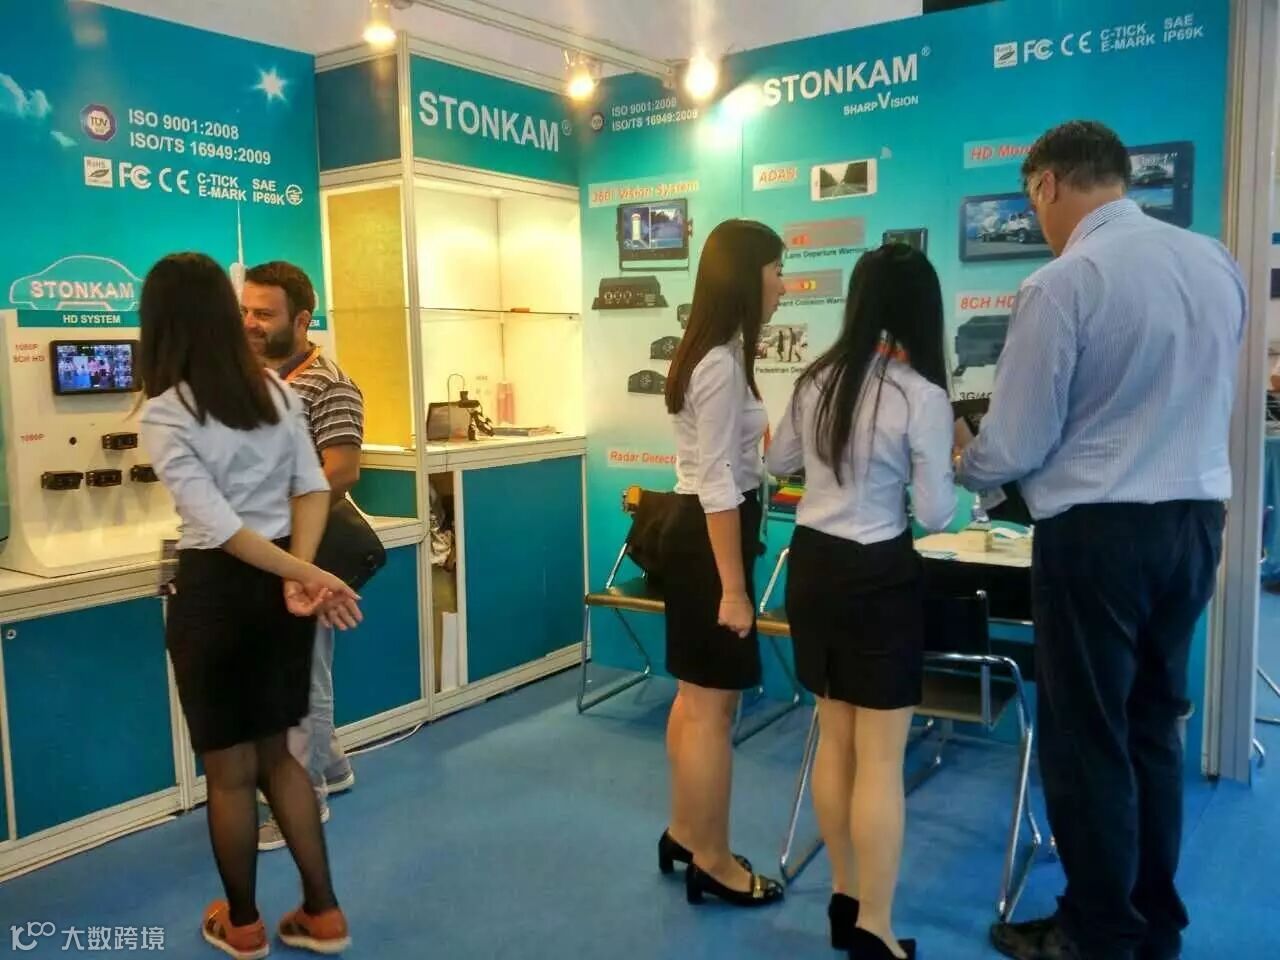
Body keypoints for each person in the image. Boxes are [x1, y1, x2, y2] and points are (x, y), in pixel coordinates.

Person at [954, 121, 1245, 960]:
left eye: (1030, 199)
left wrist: (968, 463)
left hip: (1098, 536)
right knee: (1153, 725)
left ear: (1047, 184)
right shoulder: (1214, 262)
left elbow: (1018, 440)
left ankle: (1095, 929)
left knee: (1087, 738)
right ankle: (1153, 922)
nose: (1035, 217)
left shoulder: (1063, 281)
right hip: (1195, 524)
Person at [138, 252, 361, 958]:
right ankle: (323, 913)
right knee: (281, 759)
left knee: (230, 776)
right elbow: (312, 488)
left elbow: (222, 530)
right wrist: (304, 572)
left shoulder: (166, 413)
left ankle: (242, 926)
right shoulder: (275, 392)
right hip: (276, 593)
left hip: (217, 593)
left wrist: (303, 574)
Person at [767, 244, 954, 960]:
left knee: (834, 738)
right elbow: (935, 516)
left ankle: (846, 900)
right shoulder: (921, 396)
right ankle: (875, 928)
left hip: (812, 565)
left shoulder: (816, 378)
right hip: (879, 572)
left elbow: (778, 462)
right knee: (879, 761)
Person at [658, 219, 787, 908]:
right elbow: (717, 483)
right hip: (710, 544)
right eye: (775, 271)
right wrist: (734, 589)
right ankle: (712, 860)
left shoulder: (718, 353)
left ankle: (686, 833)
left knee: (696, 699)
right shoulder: (718, 364)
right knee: (712, 710)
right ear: (745, 276)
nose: (783, 286)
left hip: (700, 538)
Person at [240, 261, 365, 851]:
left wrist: (278, 520)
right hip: (268, 548)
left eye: (264, 314)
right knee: (296, 668)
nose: (251, 323)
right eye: (245, 311)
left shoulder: (328, 384)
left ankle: (304, 799)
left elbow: (340, 471)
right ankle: (332, 766)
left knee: (299, 676)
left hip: (303, 549)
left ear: (302, 319)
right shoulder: (256, 379)